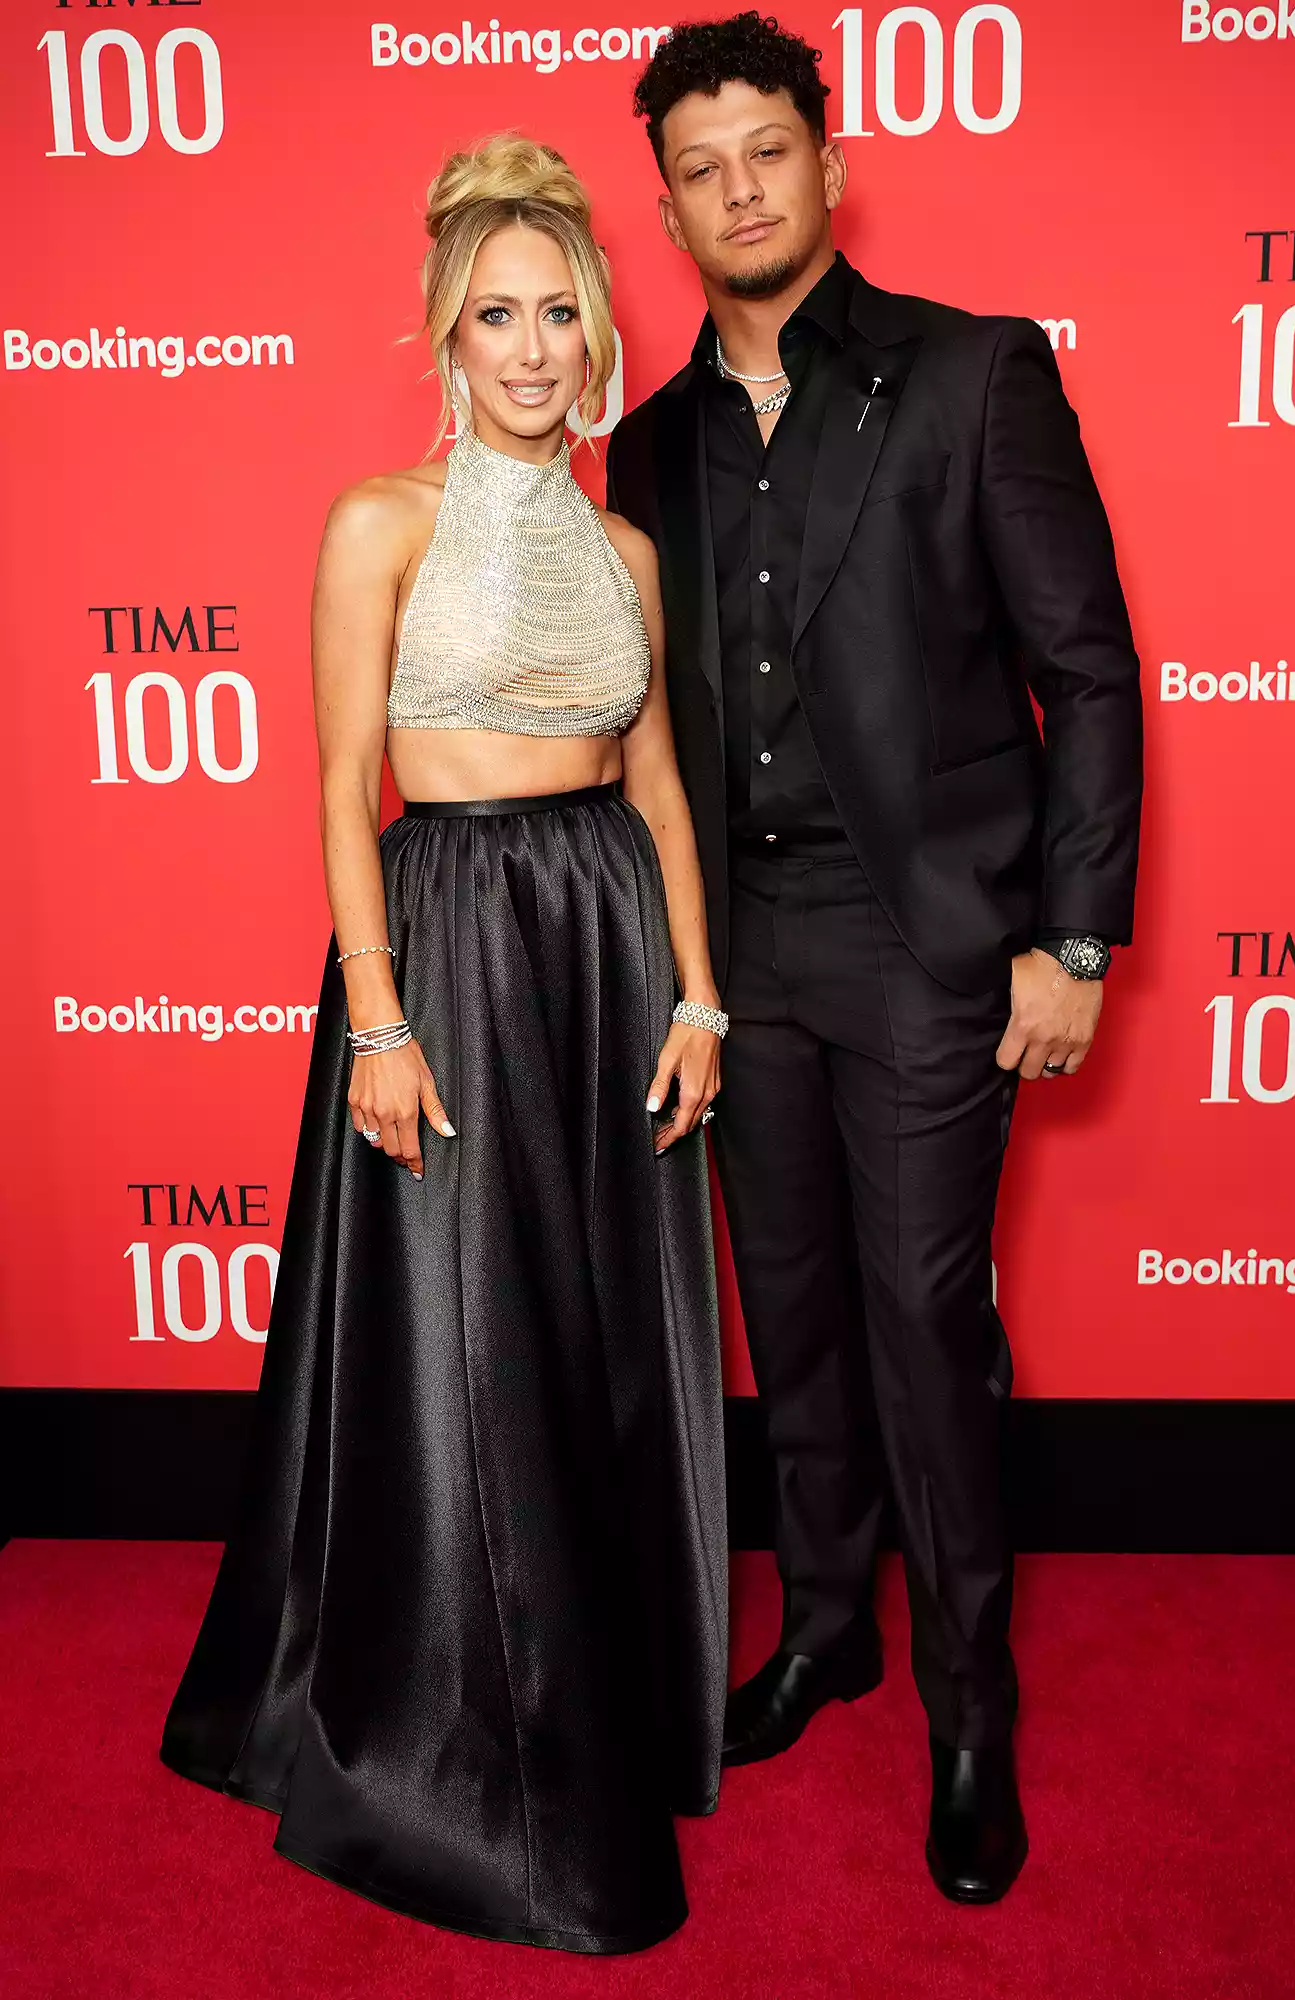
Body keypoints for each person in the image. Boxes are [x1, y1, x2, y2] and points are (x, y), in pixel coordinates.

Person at [161, 135, 729, 1956]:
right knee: (462, 1340)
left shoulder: (631, 545)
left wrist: (700, 996)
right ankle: (472, 1752)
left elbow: (657, 789)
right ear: (444, 331)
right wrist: (378, 1014)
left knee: (597, 1336)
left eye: (564, 310)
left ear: (596, 330)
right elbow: (340, 786)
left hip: (607, 941)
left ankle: (611, 1694)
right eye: (500, 315)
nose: (538, 348)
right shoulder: (376, 523)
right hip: (452, 946)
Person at [608, 14, 1143, 1905]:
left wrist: (1074, 935)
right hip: (736, 957)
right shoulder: (646, 442)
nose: (739, 187)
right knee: (796, 1318)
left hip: (928, 951)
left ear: (829, 164)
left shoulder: (973, 374)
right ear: (666, 205)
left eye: (769, 149)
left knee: (927, 1332)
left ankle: (968, 1708)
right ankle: (827, 1627)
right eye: (701, 165)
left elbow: (1085, 671)